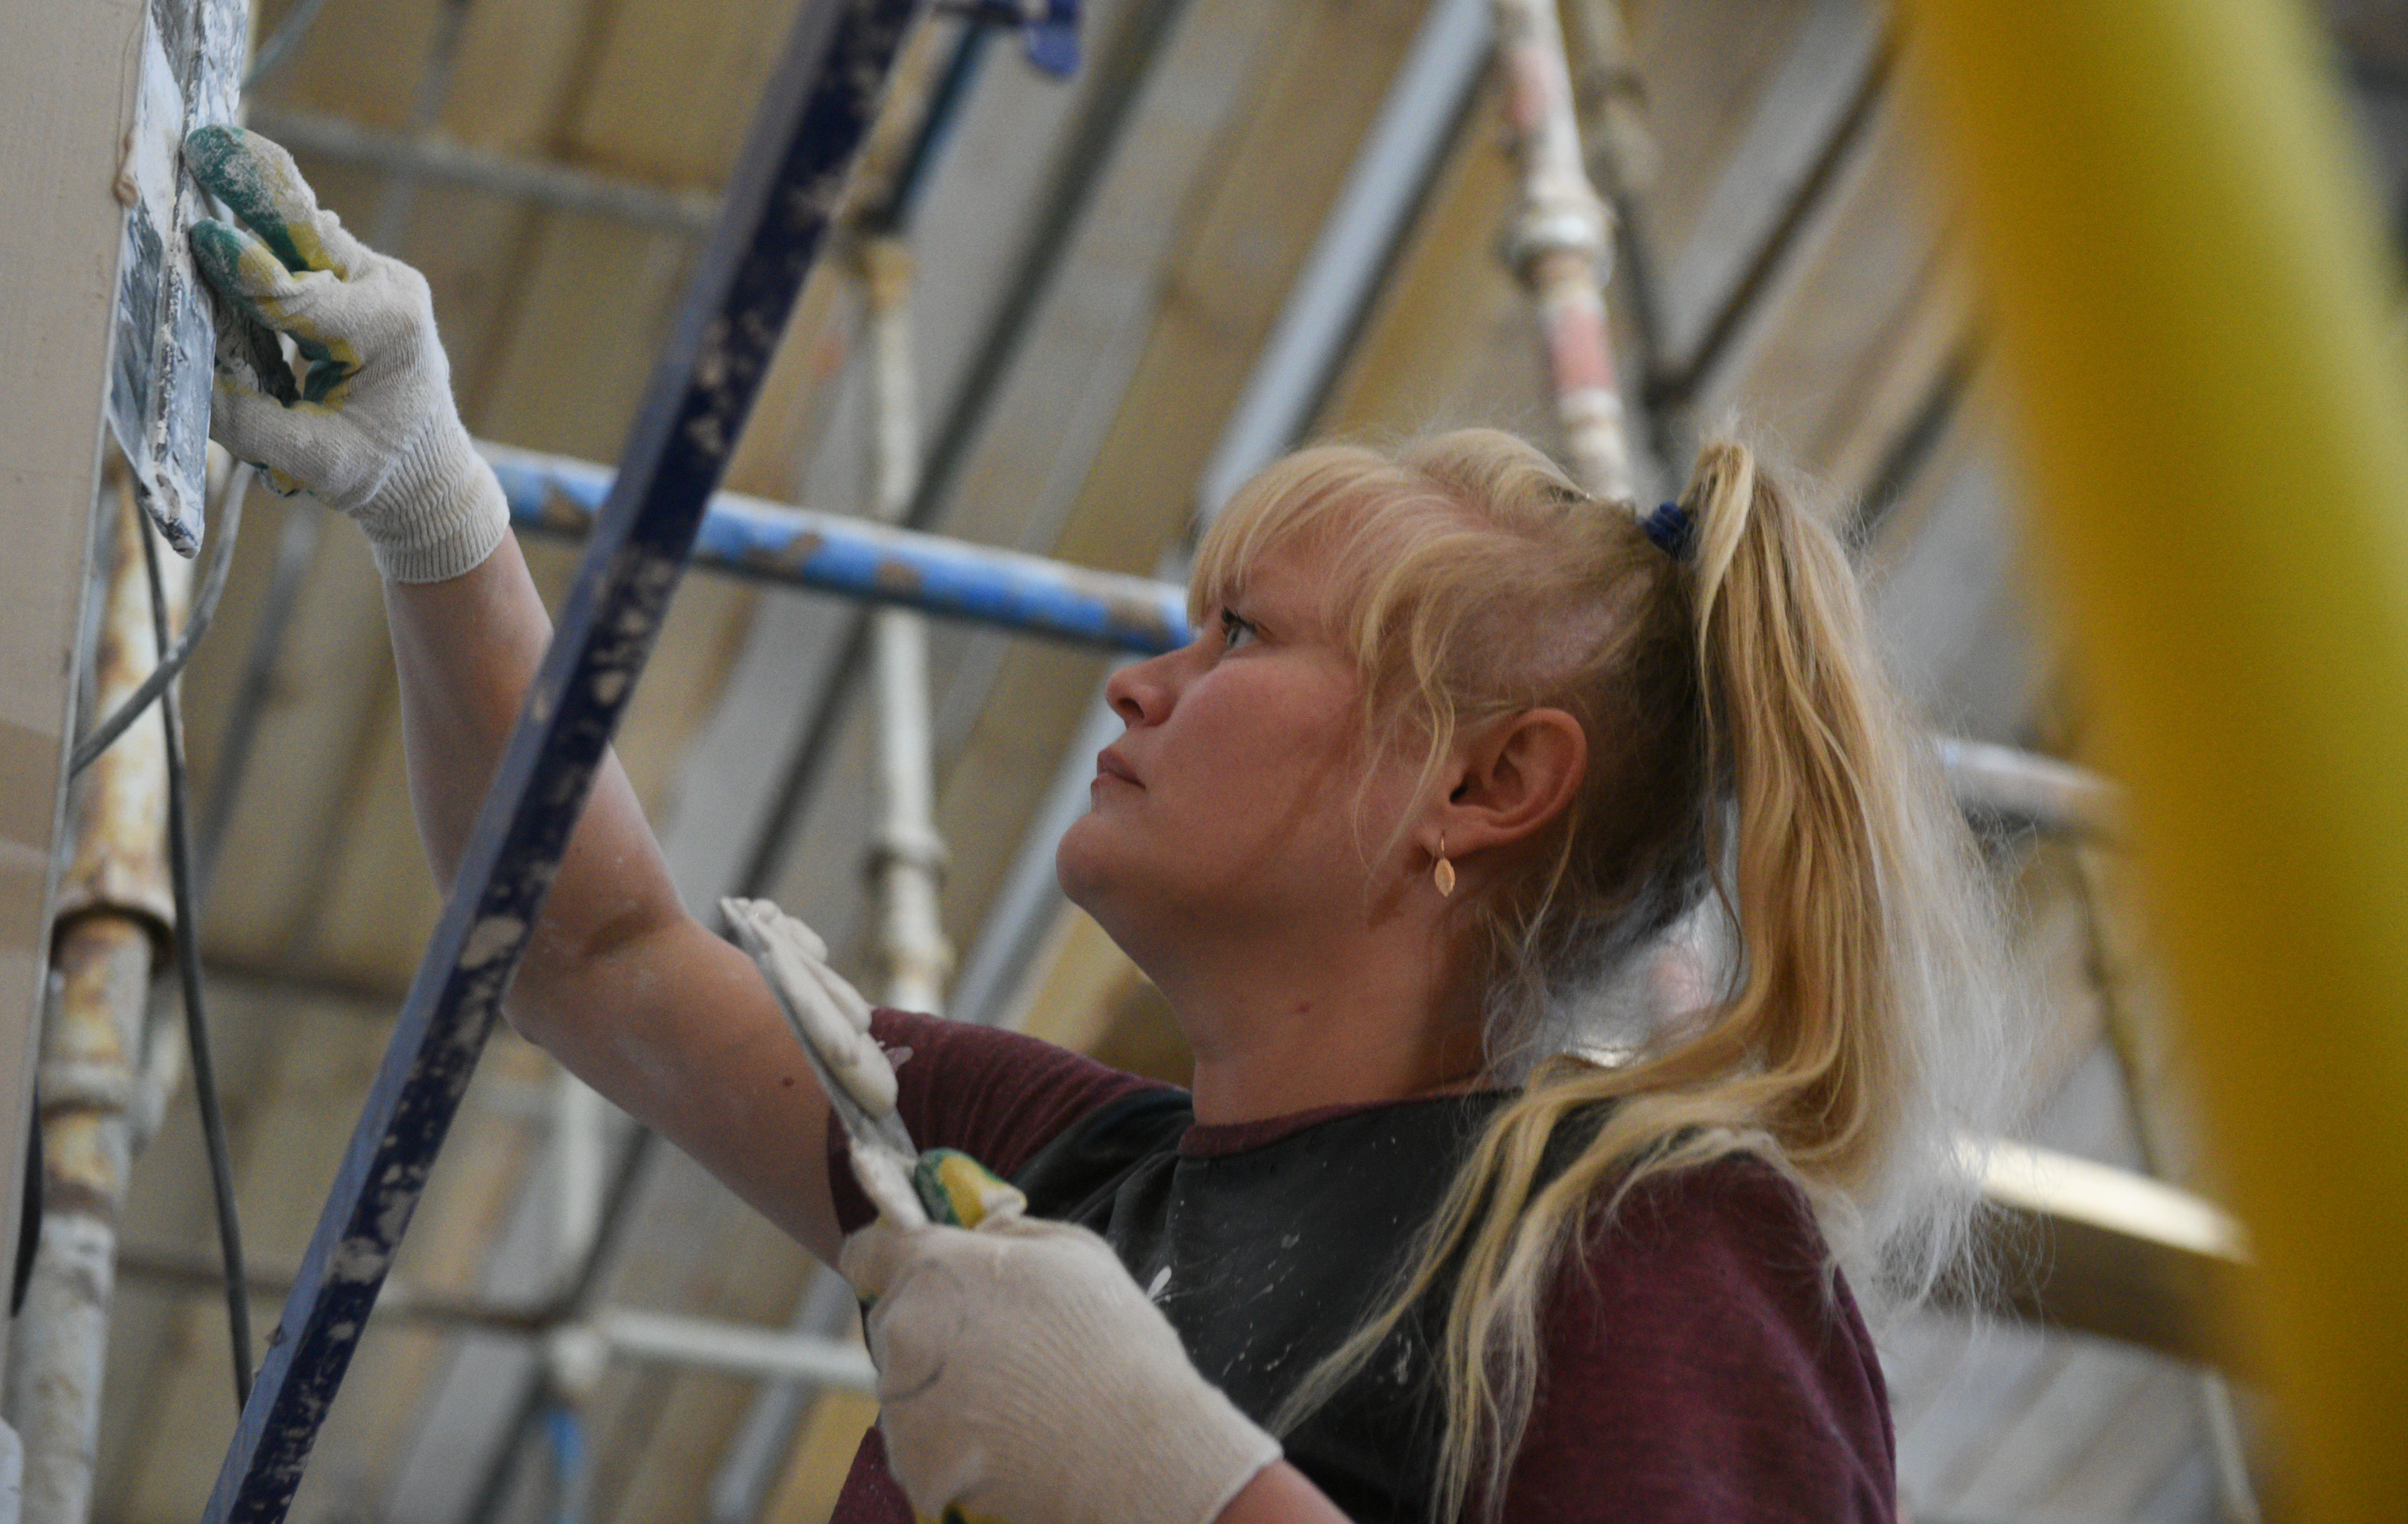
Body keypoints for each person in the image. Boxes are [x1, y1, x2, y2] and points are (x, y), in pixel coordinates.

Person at [185, 125, 2017, 1524]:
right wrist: (436, 505)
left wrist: (1186, 1491)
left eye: (1242, 637)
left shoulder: (1640, 1241)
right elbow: (595, 952)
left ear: (1481, 786)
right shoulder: (1080, 1170)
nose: (1140, 684)